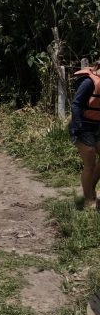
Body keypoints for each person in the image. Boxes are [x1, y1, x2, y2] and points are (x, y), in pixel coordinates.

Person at [70, 61, 100, 209]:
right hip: (82, 126)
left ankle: (91, 189)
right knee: (90, 162)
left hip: (97, 126)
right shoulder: (88, 82)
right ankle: (88, 199)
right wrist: (77, 128)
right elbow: (75, 105)